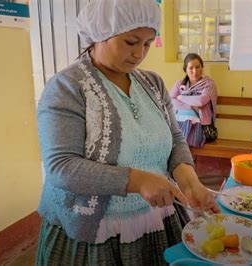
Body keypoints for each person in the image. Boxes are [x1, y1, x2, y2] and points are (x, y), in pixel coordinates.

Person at [35, 0, 219, 265]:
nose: (139, 53)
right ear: (100, 34)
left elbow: (175, 139)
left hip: (155, 219)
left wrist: (191, 183)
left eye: (147, 43)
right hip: (94, 231)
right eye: (131, 42)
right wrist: (137, 180)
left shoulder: (152, 83)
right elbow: (61, 167)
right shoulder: (67, 87)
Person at [170, 53, 218, 148]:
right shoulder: (179, 84)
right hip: (180, 123)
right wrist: (192, 105)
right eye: (191, 68)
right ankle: (184, 156)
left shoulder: (208, 84)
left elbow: (201, 101)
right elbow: (170, 101)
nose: (195, 71)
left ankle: (183, 155)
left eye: (198, 67)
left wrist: (180, 97)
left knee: (180, 136)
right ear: (185, 70)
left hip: (203, 127)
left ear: (202, 67)